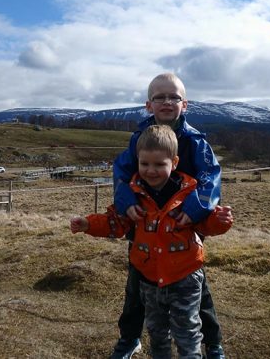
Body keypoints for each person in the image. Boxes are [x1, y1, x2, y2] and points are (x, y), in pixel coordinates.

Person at [71, 125, 233, 358]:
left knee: (187, 332)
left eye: (159, 165)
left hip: (184, 277)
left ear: (174, 163)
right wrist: (88, 224)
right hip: (148, 279)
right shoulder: (132, 196)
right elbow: (116, 223)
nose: (151, 170)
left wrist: (221, 220)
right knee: (157, 333)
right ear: (137, 161)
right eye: (145, 164)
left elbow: (206, 225)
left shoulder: (190, 196)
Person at [111, 72, 225, 359]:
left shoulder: (195, 141)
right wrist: (125, 202)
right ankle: (129, 339)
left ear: (184, 104)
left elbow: (210, 176)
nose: (166, 101)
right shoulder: (139, 139)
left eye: (173, 96)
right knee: (137, 284)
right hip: (144, 221)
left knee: (195, 286)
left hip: (183, 224)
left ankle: (213, 343)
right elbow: (122, 173)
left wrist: (196, 208)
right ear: (149, 105)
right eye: (159, 97)